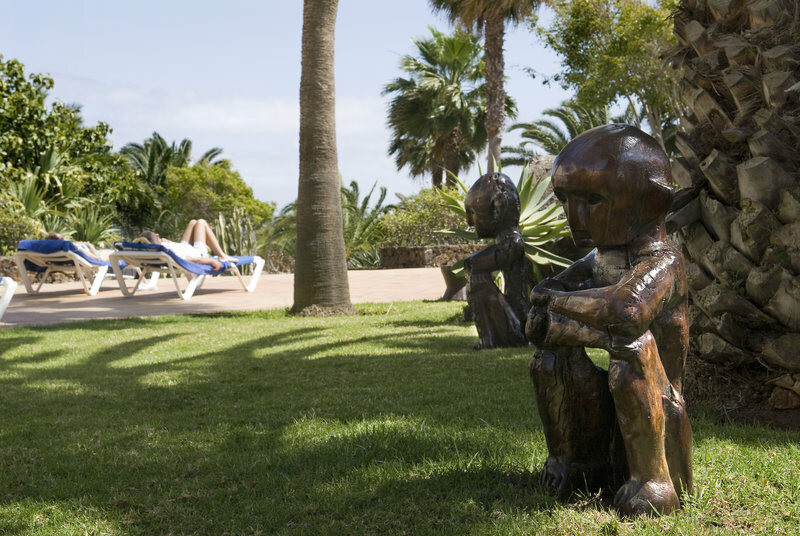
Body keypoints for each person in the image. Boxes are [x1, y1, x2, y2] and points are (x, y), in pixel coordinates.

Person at [527, 124, 692, 516]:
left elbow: (628, 311)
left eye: (592, 200)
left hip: (659, 414)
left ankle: (654, 481)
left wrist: (557, 313)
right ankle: (575, 465)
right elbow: (542, 299)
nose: (574, 217)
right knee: (550, 353)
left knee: (633, 345)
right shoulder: (599, 259)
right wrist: (556, 317)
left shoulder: (663, 262)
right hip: (611, 404)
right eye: (565, 200)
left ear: (651, 200)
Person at [140, 219, 237, 271]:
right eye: (156, 236)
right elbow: (192, 259)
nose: (158, 234)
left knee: (193, 222)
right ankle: (221, 255)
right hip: (197, 252)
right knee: (201, 222)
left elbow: (176, 249)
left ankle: (221, 254)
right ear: (155, 241)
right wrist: (212, 261)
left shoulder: (162, 248)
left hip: (184, 247)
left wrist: (167, 242)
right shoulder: (168, 251)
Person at [44, 231, 112, 262]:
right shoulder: (76, 247)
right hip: (101, 256)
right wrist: (91, 246)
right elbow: (96, 258)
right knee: (116, 253)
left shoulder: (63, 248)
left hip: (99, 253)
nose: (64, 237)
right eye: (62, 237)